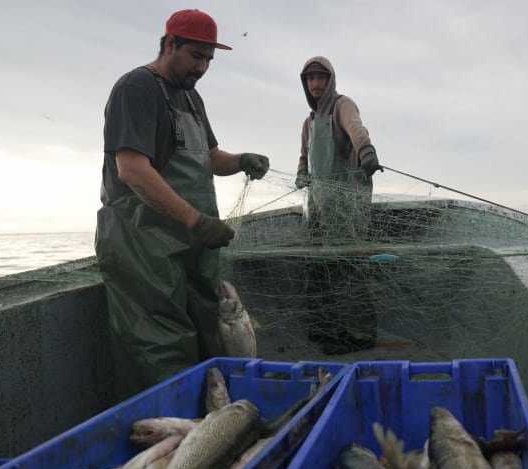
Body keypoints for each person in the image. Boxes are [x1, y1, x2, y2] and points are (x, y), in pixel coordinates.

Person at [95, 9, 269, 399]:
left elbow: (210, 157)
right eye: (196, 55)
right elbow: (132, 170)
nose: (203, 66)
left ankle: (212, 427)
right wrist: (198, 221)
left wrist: (240, 160)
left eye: (209, 59)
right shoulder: (136, 88)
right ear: (169, 44)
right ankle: (167, 433)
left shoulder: (191, 97)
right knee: (160, 344)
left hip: (189, 242)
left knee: (209, 332)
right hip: (142, 241)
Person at [294, 56, 382, 354]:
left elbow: (357, 129)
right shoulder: (309, 122)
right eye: (310, 79)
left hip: (347, 208)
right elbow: (304, 155)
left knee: (349, 268)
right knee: (319, 270)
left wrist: (367, 153)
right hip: (318, 209)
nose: (316, 84)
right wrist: (301, 173)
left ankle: (360, 334)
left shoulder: (343, 105)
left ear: (330, 79)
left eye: (321, 77)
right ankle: (325, 330)